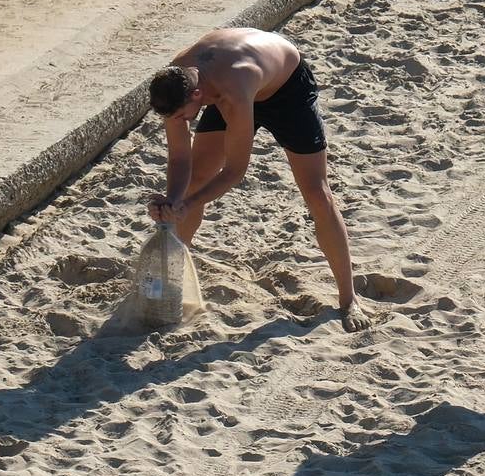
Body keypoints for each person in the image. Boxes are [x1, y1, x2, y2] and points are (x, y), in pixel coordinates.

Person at [146, 28, 372, 331]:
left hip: (285, 88)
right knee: (195, 180)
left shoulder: (233, 89)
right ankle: (172, 280)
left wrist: (187, 203)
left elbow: (235, 171)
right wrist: (174, 200)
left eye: (182, 117)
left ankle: (349, 299)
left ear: (197, 95)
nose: (179, 123)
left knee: (316, 192)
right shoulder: (176, 81)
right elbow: (179, 158)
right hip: (231, 81)